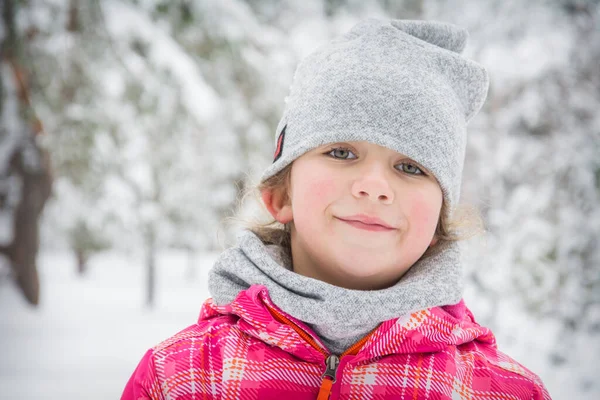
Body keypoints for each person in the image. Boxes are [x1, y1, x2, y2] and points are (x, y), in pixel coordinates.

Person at [121, 19, 551, 399]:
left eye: (410, 167)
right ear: (281, 195)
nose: (374, 187)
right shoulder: (183, 378)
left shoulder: (501, 391)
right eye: (342, 152)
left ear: (439, 221)